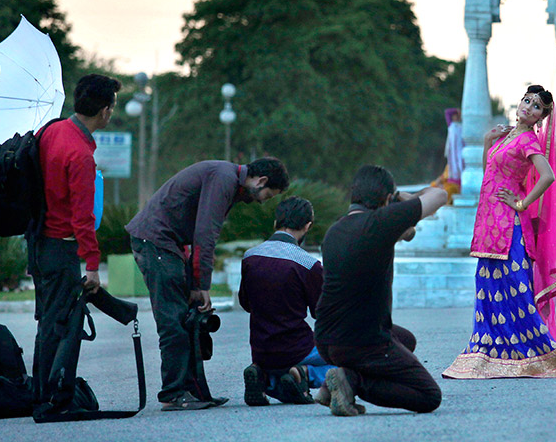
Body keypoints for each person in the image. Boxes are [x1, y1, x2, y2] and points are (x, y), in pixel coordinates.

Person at [126, 157, 289, 411]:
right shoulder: (223, 178)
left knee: (187, 320)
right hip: (156, 242)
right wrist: (202, 285)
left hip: (168, 245)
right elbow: (205, 233)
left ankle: (192, 391)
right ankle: (173, 393)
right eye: (266, 195)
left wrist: (195, 283)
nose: (261, 201)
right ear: (261, 181)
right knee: (173, 321)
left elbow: (197, 232)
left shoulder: (228, 182)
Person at [443, 85, 556, 379]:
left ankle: (533, 355)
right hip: (489, 221)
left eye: (537, 106)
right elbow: (490, 172)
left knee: (514, 288)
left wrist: (521, 203)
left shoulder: (529, 140)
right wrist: (487, 142)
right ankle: (488, 351)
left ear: (542, 117)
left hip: (508, 225)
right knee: (487, 285)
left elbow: (548, 176)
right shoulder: (507, 137)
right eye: (527, 101)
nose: (529, 107)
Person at [314, 165, 448, 416]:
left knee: (406, 340)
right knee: (429, 396)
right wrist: (399, 198)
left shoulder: (336, 231)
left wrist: (396, 209)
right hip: (362, 342)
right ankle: (352, 382)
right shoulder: (380, 222)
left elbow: (405, 233)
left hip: (326, 338)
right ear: (386, 199)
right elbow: (439, 196)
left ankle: (334, 383)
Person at [30, 74, 121, 407]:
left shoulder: (52, 131)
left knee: (49, 322)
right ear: (104, 110)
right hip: (61, 245)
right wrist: (93, 265)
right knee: (62, 325)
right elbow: (83, 219)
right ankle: (53, 398)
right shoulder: (80, 154)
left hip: (39, 243)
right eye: (112, 105)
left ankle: (42, 393)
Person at [240, 196, 332, 407]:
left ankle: (263, 376)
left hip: (261, 349)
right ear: (307, 226)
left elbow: (246, 303)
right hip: (297, 348)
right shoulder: (308, 264)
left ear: (275, 223)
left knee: (278, 367)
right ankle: (304, 375)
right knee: (349, 359)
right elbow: (321, 312)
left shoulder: (250, 257)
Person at [444, 108, 464, 202]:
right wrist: (457, 110)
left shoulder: (460, 127)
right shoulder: (452, 126)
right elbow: (447, 112)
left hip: (460, 154)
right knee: (454, 170)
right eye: (455, 115)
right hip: (453, 154)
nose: (457, 117)